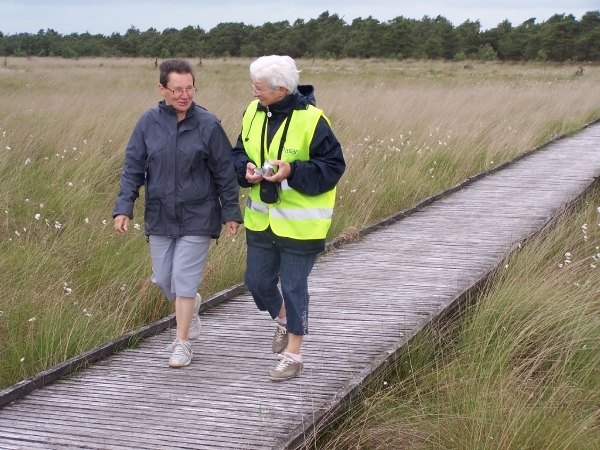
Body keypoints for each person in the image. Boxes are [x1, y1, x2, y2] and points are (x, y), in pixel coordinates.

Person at [113, 59, 242, 368]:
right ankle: (191, 305)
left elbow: (224, 171)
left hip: (199, 213)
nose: (185, 95)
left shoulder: (209, 124)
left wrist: (231, 212)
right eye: (178, 89)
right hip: (159, 214)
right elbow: (133, 167)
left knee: (184, 280)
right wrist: (124, 207)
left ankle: (181, 343)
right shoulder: (148, 122)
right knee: (162, 278)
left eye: (190, 88)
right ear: (163, 89)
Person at [231, 55, 345, 381]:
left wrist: (292, 171)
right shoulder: (252, 112)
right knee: (256, 282)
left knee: (294, 286)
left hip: (301, 225)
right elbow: (239, 152)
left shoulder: (313, 120)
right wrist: (246, 170)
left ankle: (294, 356)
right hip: (261, 221)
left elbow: (333, 167)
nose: (254, 94)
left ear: (281, 90)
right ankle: (283, 320)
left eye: (260, 88)